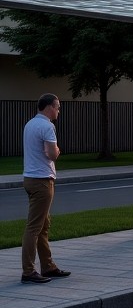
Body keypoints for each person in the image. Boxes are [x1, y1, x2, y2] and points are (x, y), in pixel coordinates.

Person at [21, 93, 71, 283]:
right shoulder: (48, 126)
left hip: (30, 178)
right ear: (49, 107)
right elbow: (52, 154)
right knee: (34, 227)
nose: (58, 110)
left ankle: (48, 266)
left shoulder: (30, 124)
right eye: (57, 107)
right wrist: (57, 150)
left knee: (43, 225)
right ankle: (28, 271)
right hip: (42, 181)